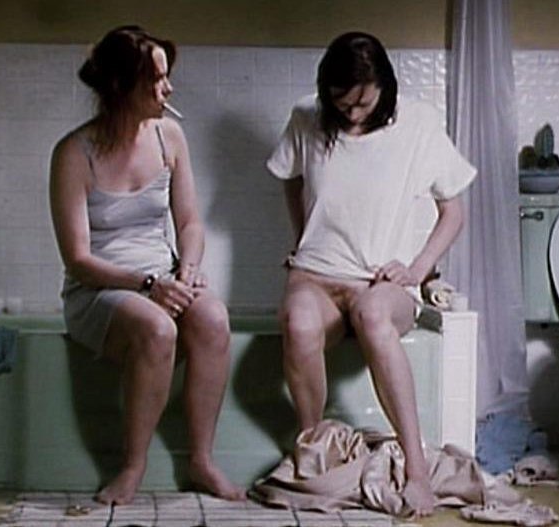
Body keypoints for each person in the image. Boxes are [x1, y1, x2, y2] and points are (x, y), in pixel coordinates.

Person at [266, 31, 476, 517]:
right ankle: (315, 455)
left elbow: (454, 212)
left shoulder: (418, 123)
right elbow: (291, 179)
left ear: (385, 88)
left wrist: (416, 269)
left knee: (373, 316)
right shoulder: (307, 117)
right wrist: (302, 238)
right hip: (316, 275)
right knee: (297, 322)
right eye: (342, 103)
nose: (353, 114)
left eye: (363, 102)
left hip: (381, 283)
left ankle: (418, 471)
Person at [49, 25, 244, 505]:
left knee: (214, 318)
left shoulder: (169, 137)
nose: (168, 88)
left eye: (166, 76)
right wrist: (148, 283)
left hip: (164, 279)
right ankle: (132, 467)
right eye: (156, 79)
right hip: (99, 290)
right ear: (121, 86)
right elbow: (77, 260)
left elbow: (191, 223)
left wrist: (188, 269)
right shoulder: (74, 154)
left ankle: (201, 460)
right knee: (158, 330)